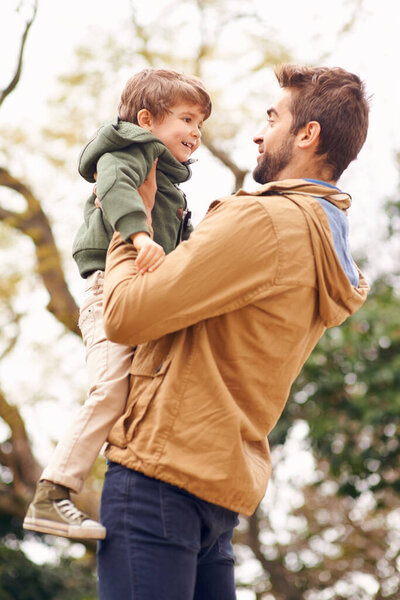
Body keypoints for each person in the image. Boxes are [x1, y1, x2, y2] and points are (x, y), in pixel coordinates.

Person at [96, 64, 370, 600]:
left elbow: (125, 314)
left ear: (307, 135)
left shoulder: (265, 221)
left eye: (273, 118)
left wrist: (136, 224)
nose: (259, 133)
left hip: (160, 475)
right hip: (220, 490)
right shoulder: (327, 244)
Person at [23, 68, 212, 540]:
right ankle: (52, 493)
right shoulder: (129, 152)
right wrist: (140, 234)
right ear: (147, 120)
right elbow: (114, 188)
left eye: (200, 125)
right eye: (187, 119)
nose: (195, 132)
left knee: (142, 392)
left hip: (142, 294)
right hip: (109, 289)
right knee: (110, 389)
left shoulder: (170, 180)